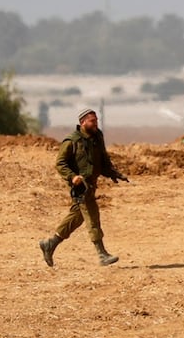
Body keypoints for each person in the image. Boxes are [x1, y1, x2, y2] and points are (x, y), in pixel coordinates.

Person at [39, 108, 128, 267]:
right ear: (83, 122)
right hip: (81, 187)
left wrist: (113, 173)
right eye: (92, 121)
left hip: (92, 185)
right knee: (92, 215)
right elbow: (60, 163)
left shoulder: (97, 136)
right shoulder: (72, 141)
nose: (96, 124)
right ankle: (101, 254)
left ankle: (50, 244)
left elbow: (103, 158)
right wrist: (73, 177)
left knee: (77, 216)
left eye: (96, 120)